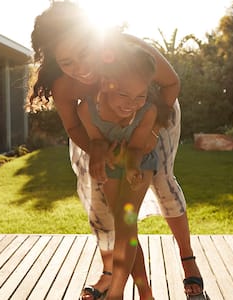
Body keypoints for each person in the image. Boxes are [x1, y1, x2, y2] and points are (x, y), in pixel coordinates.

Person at [29, 2, 206, 299]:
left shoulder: (128, 51)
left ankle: (188, 261)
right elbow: (74, 128)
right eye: (67, 62)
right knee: (98, 192)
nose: (81, 69)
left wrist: (149, 132)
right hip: (98, 130)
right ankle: (110, 272)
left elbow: (171, 83)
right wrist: (98, 150)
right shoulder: (64, 87)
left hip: (151, 115)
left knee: (161, 179)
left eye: (84, 54)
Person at [77, 41, 163, 299]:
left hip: (139, 164)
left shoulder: (147, 112)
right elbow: (95, 141)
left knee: (126, 225)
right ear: (106, 84)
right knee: (126, 228)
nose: (132, 104)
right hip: (111, 164)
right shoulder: (86, 109)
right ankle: (145, 292)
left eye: (141, 96)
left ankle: (117, 292)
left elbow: (137, 147)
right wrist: (104, 154)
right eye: (124, 95)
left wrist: (131, 166)